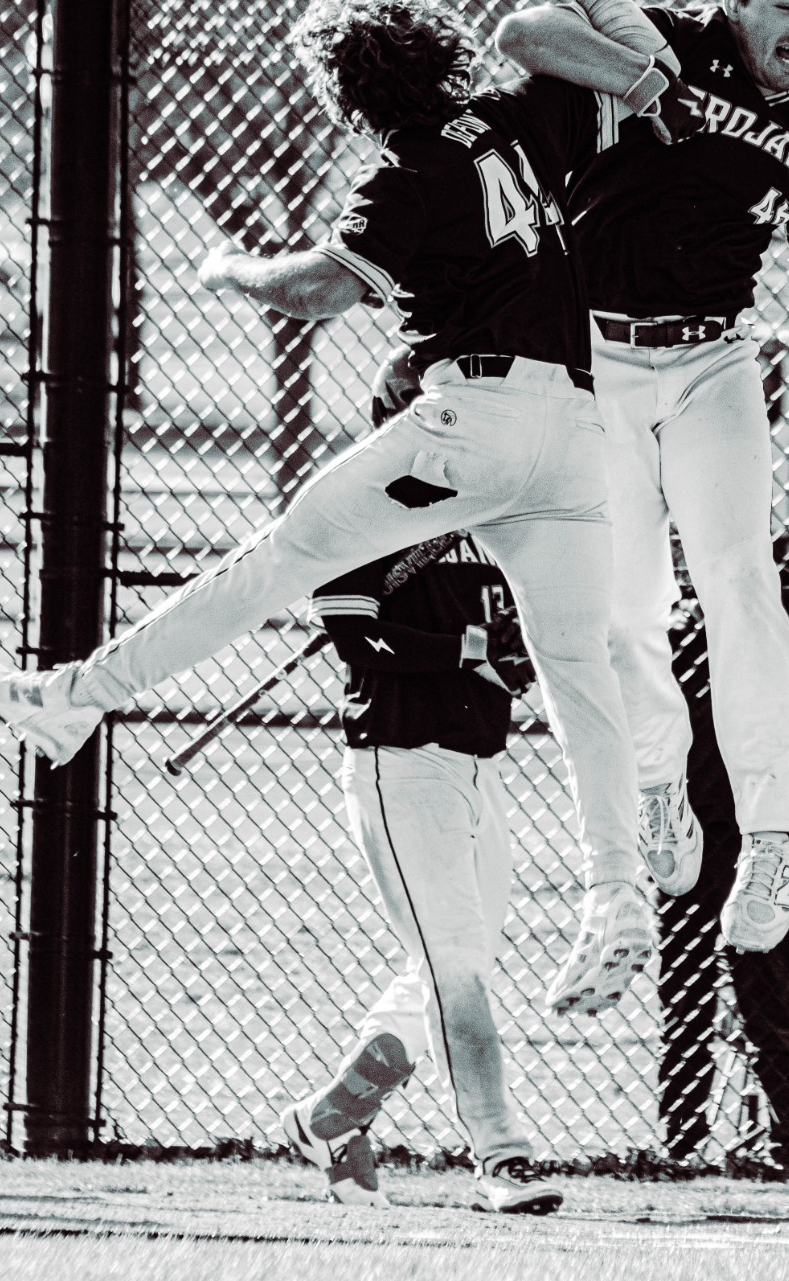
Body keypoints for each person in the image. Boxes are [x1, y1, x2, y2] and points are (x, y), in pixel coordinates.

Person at [0, 0, 651, 1022]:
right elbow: (623, 69)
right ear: (440, 46)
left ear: (348, 93)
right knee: (577, 667)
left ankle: (74, 697)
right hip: (576, 430)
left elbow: (321, 288)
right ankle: (616, 889)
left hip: (475, 420)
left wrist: (229, 268)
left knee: (279, 559)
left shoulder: (409, 169)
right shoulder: (517, 122)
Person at [491, 0, 789, 955]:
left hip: (715, 360)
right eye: (786, 5)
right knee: (625, 604)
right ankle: (660, 782)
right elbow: (523, 31)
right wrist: (642, 79)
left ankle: (767, 837)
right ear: (737, 0)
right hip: (601, 357)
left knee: (741, 583)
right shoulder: (664, 43)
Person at [284, 486, 562, 1213]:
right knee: (454, 968)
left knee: (453, 964)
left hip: (480, 766)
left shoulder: (492, 516)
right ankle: (501, 1156)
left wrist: (517, 656)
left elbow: (514, 648)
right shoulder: (363, 510)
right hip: (402, 763)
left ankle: (331, 1117)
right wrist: (471, 650)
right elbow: (355, 637)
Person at [657, 594, 789, 1172]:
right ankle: (680, 1141)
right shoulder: (669, 622)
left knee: (768, 992)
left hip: (760, 825)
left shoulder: (771, 601)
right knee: (684, 990)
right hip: (689, 823)